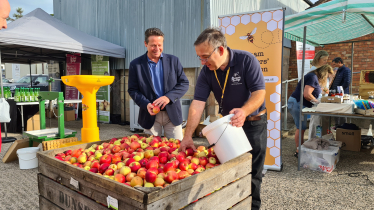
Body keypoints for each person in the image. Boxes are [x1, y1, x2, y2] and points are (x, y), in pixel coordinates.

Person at [179, 28, 266, 210]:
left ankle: (253, 207)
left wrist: (243, 111)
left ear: (220, 50)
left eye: (205, 56)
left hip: (253, 123)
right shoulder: (206, 72)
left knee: (253, 173)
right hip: (229, 126)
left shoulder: (246, 60)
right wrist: (187, 136)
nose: (203, 62)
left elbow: (259, 93)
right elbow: (197, 104)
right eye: (199, 58)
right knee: (228, 169)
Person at [128, 28, 189, 140]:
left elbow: (184, 83)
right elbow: (132, 90)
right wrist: (146, 104)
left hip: (172, 114)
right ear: (145, 43)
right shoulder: (135, 65)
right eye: (153, 45)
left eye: (159, 45)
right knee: (151, 151)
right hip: (149, 114)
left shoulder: (173, 61)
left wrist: (168, 97)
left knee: (177, 149)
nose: (157, 49)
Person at [288, 65, 334, 157]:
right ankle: (299, 151)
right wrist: (317, 102)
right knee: (300, 128)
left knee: (301, 127)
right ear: (324, 73)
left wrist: (321, 92)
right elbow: (307, 94)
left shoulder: (313, 77)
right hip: (297, 103)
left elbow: (312, 90)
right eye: (327, 76)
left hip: (299, 103)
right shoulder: (313, 77)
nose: (326, 79)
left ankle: (300, 149)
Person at [308, 50, 331, 141]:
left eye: (327, 60)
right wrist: (322, 90)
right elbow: (312, 87)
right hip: (316, 99)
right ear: (318, 59)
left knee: (322, 121)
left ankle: (322, 139)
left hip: (322, 98)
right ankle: (313, 140)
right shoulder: (313, 70)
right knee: (316, 121)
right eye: (324, 60)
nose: (326, 62)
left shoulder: (322, 69)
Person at [330, 57, 351, 127]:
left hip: (342, 93)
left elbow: (347, 82)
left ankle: (343, 126)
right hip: (335, 93)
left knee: (342, 110)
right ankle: (337, 125)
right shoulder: (338, 70)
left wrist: (340, 91)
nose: (334, 66)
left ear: (339, 62)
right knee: (336, 110)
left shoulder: (346, 70)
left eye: (335, 64)